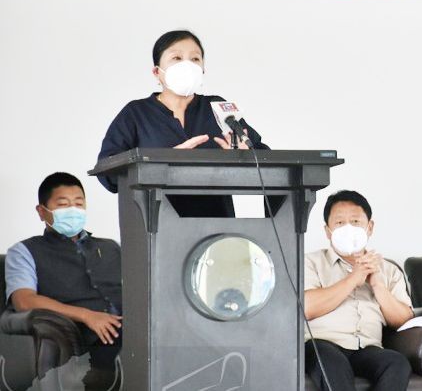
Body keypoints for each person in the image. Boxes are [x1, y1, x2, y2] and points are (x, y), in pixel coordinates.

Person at [96, 30, 267, 217]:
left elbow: (266, 160)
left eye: (195, 59)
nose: (187, 65)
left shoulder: (217, 107)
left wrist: (244, 156)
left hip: (217, 225)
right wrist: (165, 160)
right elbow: (108, 174)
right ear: (157, 72)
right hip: (156, 225)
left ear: (203, 70)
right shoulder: (136, 113)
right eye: (177, 58)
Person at [4, 172, 122, 388]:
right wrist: (87, 315)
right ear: (42, 211)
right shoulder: (24, 251)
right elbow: (24, 300)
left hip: (132, 330)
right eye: (63, 204)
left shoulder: (111, 247)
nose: (73, 210)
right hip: (82, 340)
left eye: (78, 204)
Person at [302, 190, 413, 391]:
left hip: (367, 348)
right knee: (331, 361)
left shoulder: (388, 270)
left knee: (396, 363)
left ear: (369, 227)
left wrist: (378, 285)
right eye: (339, 223)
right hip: (322, 344)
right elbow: (308, 307)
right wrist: (355, 277)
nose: (348, 229)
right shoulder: (310, 262)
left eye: (355, 222)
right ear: (328, 231)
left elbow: (403, 321)